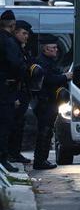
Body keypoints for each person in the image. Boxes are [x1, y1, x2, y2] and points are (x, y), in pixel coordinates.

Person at [32, 35, 70, 170]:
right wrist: (65, 77)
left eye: (56, 47)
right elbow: (48, 80)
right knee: (44, 131)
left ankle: (43, 159)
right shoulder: (43, 62)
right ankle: (40, 161)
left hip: (50, 102)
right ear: (45, 49)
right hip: (45, 102)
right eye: (53, 48)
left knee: (47, 131)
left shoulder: (50, 62)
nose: (56, 50)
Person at [0, 9, 28, 172]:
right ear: (12, 25)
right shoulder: (8, 41)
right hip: (6, 90)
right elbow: (16, 65)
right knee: (5, 126)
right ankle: (3, 160)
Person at [9, 20, 33, 165]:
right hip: (15, 91)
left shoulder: (19, 47)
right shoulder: (12, 46)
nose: (26, 36)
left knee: (18, 124)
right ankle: (12, 153)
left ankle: (15, 153)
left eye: (27, 34)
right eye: (24, 33)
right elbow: (17, 69)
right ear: (15, 32)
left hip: (22, 91)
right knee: (14, 124)